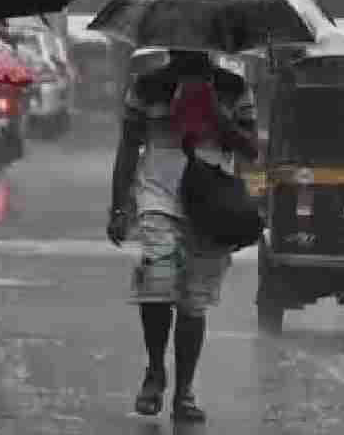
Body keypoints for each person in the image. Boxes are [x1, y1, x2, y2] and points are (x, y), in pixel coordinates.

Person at [107, 49, 258, 424]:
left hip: (212, 204)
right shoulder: (147, 87)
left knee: (193, 301)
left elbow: (251, 149)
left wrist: (217, 117)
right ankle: (156, 371)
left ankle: (184, 390)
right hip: (158, 197)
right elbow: (128, 145)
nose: (184, 49)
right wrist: (119, 207)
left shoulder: (233, 88)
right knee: (157, 283)